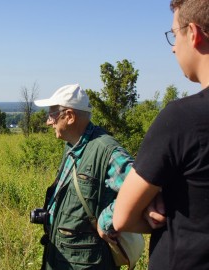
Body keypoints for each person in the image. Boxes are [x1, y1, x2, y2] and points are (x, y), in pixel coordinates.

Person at [113, 0, 209, 269]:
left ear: (194, 33)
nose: (173, 47)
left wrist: (150, 204)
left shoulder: (182, 119)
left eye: (174, 34)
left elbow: (121, 218)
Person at [32, 84, 134, 270]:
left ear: (69, 116)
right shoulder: (74, 145)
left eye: (52, 115)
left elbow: (139, 188)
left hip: (87, 262)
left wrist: (107, 220)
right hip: (64, 257)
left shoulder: (105, 150)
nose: (49, 122)